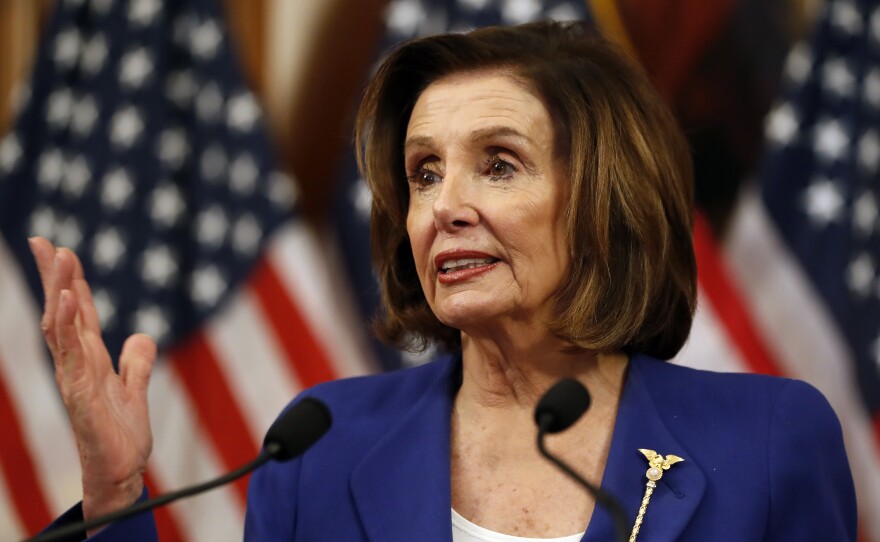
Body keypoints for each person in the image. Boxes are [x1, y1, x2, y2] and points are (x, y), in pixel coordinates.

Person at [35, 21, 855, 541]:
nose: (443, 207)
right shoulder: (321, 448)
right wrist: (114, 496)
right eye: (424, 173)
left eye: (498, 165)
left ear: (603, 199)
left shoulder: (773, 443)